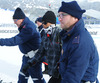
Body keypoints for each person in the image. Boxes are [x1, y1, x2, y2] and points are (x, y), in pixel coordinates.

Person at [0, 7, 46, 83]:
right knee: (22, 77)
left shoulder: (29, 28)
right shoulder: (24, 25)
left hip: (33, 58)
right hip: (27, 57)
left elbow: (15, 40)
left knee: (37, 79)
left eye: (15, 20)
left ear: (21, 19)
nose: (14, 22)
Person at [57, 1, 99, 83]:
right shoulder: (70, 36)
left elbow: (72, 77)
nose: (59, 18)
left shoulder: (80, 41)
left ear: (75, 17)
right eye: (59, 15)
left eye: (63, 15)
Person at [22, 11, 62, 83]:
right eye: (42, 23)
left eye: (45, 23)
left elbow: (68, 53)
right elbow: (40, 53)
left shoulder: (60, 34)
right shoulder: (45, 37)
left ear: (52, 23)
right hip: (54, 73)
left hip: (63, 74)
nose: (43, 25)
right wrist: (29, 64)